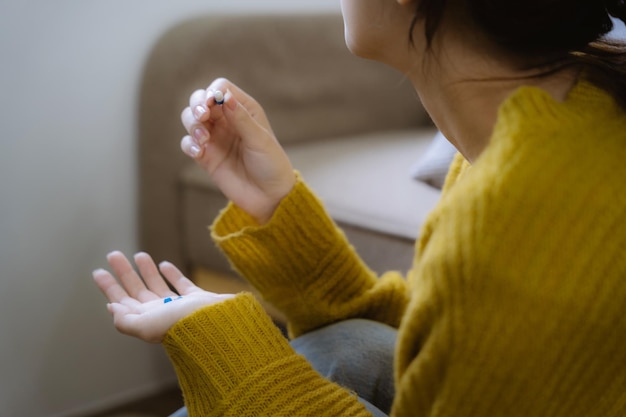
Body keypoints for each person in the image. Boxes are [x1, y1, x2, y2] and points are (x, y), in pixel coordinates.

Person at [93, 0, 626, 416]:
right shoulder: (564, 113)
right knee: (352, 344)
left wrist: (227, 347)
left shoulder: (514, 213)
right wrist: (277, 207)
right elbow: (434, 337)